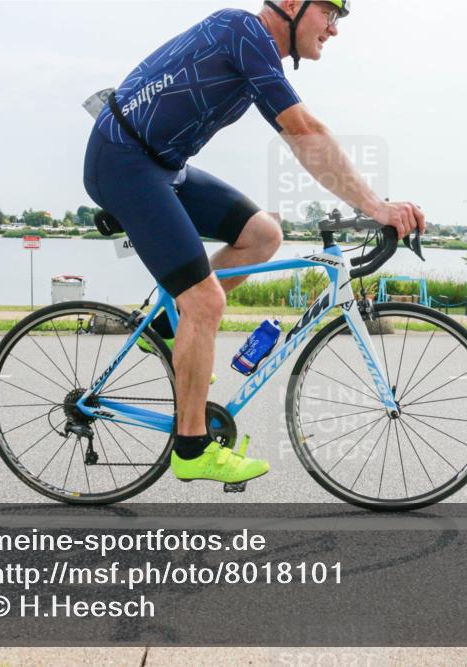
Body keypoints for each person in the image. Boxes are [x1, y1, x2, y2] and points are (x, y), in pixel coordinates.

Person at [82, 1, 425, 485]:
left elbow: (300, 140)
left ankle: (163, 329)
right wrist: (377, 207)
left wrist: (371, 204)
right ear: (290, 4)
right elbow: (305, 131)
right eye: (331, 12)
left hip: (163, 165)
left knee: (263, 234)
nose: (334, 28)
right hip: (122, 161)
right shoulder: (242, 31)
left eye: (340, 19)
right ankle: (192, 449)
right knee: (204, 300)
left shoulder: (256, 57)